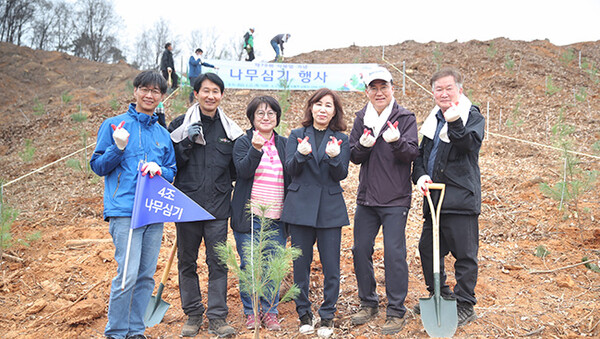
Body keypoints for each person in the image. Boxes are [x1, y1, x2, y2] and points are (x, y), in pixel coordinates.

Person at [90, 70, 177, 339]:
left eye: (156, 91)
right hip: (125, 209)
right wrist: (117, 147)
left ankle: (136, 331)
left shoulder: (163, 134)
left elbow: (172, 171)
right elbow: (98, 166)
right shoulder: (114, 125)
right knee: (127, 275)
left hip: (153, 211)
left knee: (145, 276)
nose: (150, 95)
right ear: (135, 91)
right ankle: (116, 332)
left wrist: (160, 169)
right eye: (145, 89)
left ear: (162, 97)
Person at [168, 72, 244, 338]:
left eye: (216, 91)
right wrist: (187, 140)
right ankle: (192, 314)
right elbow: (171, 164)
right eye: (206, 91)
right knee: (187, 261)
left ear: (222, 95)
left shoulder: (231, 130)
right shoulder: (179, 125)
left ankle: (217, 317)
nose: (211, 96)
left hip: (218, 208)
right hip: (187, 205)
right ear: (196, 93)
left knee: (218, 262)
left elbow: (236, 170)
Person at [348, 67, 419, 335]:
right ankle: (368, 303)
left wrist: (397, 141)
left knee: (394, 254)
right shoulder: (361, 119)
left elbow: (412, 153)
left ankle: (396, 310)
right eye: (373, 88)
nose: (379, 93)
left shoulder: (405, 117)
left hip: (395, 199)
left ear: (392, 89)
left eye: (384, 87)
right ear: (367, 92)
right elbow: (354, 157)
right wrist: (363, 146)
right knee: (360, 250)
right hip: (367, 199)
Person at [412, 67, 484, 327]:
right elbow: (421, 156)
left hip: (460, 199)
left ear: (459, 90)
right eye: (438, 89)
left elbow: (470, 146)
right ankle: (440, 294)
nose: (443, 93)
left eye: (448, 88)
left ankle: (465, 303)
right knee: (428, 248)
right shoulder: (433, 120)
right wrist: (419, 176)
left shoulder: (471, 116)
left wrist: (455, 122)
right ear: (432, 93)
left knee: (464, 254)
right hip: (433, 199)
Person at [281, 88, 350, 338]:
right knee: (301, 265)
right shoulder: (297, 135)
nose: (323, 109)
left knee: (331, 265)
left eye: (328, 105)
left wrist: (333, 158)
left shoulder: (341, 139)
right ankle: (304, 313)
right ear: (311, 108)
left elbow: (341, 173)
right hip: (300, 208)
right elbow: (290, 169)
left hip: (330, 209)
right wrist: (300, 155)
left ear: (334, 112)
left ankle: (328, 315)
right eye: (319, 104)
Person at [231, 96, 289, 331]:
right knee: (250, 266)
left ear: (277, 118)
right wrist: (256, 149)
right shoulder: (243, 142)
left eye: (271, 113)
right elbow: (243, 172)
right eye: (260, 114)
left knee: (273, 266)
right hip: (250, 216)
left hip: (277, 216)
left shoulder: (285, 144)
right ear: (252, 118)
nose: (266, 118)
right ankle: (251, 311)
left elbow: (292, 177)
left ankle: (271, 311)